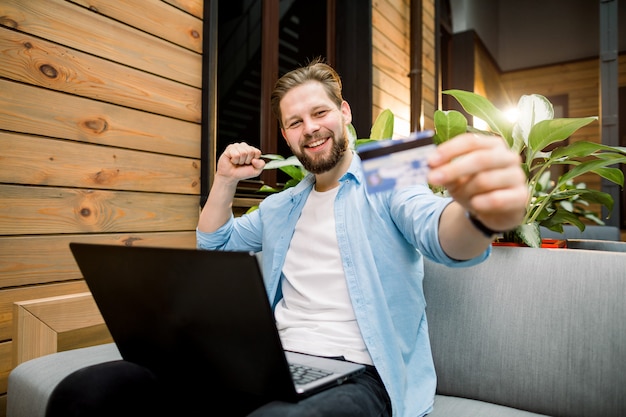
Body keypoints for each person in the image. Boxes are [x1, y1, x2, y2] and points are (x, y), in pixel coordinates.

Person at [46, 58, 527, 417]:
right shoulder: (281, 206)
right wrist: (224, 181)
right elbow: (215, 247)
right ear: (285, 133)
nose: (310, 129)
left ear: (344, 111)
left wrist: (480, 215)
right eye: (295, 122)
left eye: (320, 113)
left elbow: (439, 232)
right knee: (87, 393)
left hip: (362, 375)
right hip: (269, 363)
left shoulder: (389, 168)